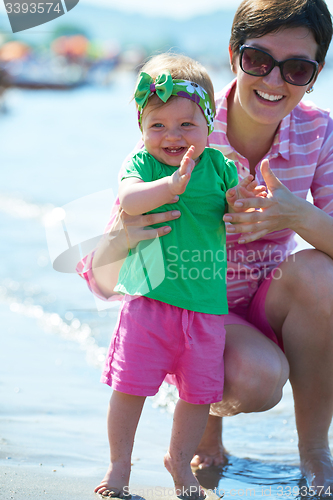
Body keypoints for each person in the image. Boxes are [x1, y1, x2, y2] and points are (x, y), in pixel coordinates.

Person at [77, 0, 333, 494]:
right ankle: (202, 434)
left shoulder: (319, 131)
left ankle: (315, 452)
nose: (275, 81)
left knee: (322, 278)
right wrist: (123, 238)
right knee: (258, 380)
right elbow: (102, 277)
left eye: (297, 68)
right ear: (234, 54)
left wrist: (297, 214)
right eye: (259, 60)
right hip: (187, 305)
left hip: (265, 301)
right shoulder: (180, 126)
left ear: (315, 74)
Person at [90, 54, 267, 499]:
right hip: (149, 304)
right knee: (130, 390)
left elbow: (236, 205)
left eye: (186, 125)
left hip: (205, 311)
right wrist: (169, 187)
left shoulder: (219, 166)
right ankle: (118, 468)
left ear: (209, 125)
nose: (171, 135)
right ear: (142, 128)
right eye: (158, 125)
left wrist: (245, 199)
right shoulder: (144, 166)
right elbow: (129, 200)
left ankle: (179, 462)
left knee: (197, 395)